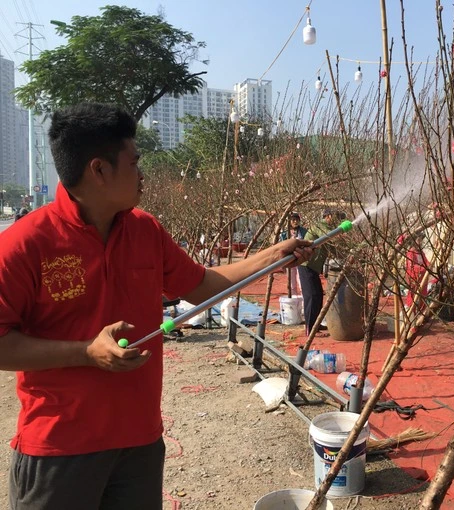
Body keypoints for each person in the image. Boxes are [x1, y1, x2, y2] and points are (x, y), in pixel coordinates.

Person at [0, 103, 312, 510]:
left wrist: (274, 255)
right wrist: (84, 353)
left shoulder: (145, 230)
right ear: (99, 170)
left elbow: (202, 285)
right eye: (134, 162)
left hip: (139, 444)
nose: (142, 174)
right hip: (59, 448)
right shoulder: (25, 244)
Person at [298, 209, 340, 335]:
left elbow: (333, 248)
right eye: (335, 217)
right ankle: (309, 328)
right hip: (306, 265)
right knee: (311, 296)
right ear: (327, 216)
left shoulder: (330, 228)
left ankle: (315, 324)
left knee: (317, 295)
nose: (337, 220)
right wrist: (341, 232)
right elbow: (328, 236)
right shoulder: (319, 226)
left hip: (313, 268)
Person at [280, 212, 307, 295]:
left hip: (300, 260)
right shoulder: (284, 233)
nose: (295, 222)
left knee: (301, 281)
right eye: (293, 220)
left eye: (297, 220)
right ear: (289, 221)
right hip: (289, 260)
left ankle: (303, 302)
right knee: (292, 283)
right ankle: (294, 300)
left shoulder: (303, 231)